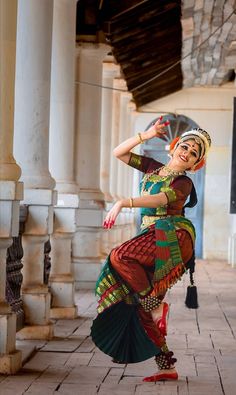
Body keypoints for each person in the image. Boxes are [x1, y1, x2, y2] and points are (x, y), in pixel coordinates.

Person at [91, 117, 211, 382]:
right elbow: (119, 153)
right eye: (186, 147)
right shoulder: (152, 167)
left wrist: (124, 202)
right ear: (176, 145)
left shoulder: (183, 183)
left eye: (193, 154)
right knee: (142, 306)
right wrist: (146, 135)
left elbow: (160, 199)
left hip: (172, 237)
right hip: (151, 237)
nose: (187, 153)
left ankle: (157, 306)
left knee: (119, 256)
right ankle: (167, 365)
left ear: (194, 164)